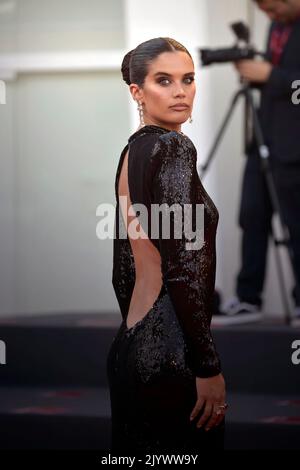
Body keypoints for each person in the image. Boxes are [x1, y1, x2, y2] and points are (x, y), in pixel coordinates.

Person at [106, 37, 227, 454]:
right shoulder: (174, 147)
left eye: (188, 79)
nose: (180, 91)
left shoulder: (130, 153)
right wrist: (207, 365)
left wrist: (137, 342)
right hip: (172, 351)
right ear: (136, 91)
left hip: (129, 344)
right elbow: (184, 264)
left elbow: (123, 269)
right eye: (164, 80)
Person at [219, 0, 300, 325]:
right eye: (263, 9)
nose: (270, 14)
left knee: (296, 223)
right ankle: (248, 298)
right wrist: (256, 74)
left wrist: (272, 76)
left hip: (294, 148)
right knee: (251, 215)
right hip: (264, 138)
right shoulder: (277, 26)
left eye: (273, 6)